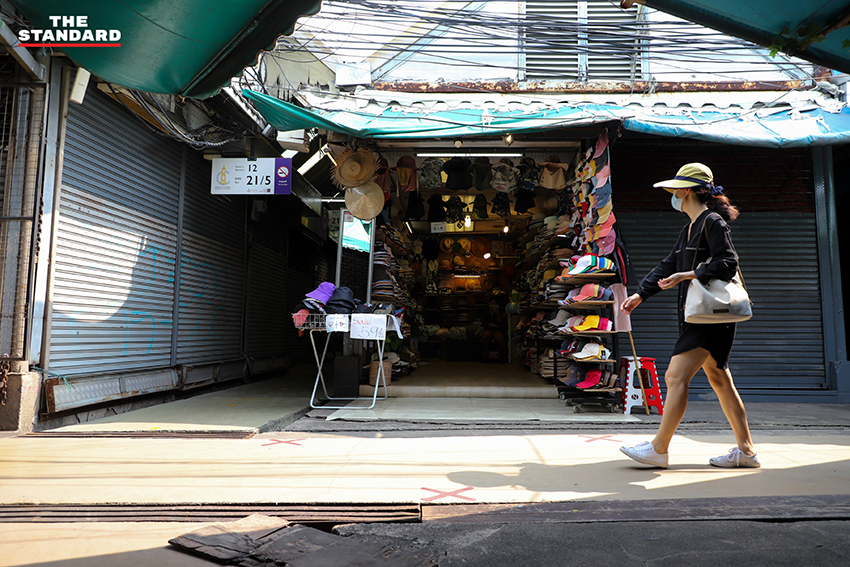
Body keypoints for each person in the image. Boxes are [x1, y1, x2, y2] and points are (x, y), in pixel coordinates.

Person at [619, 163, 759, 469]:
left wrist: (688, 274)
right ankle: (747, 452)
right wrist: (641, 294)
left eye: (675, 188)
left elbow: (728, 263)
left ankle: (659, 448)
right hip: (701, 316)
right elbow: (669, 264)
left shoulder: (712, 222)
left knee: (675, 376)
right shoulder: (690, 228)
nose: (671, 194)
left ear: (685, 191)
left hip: (711, 317)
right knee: (719, 379)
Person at [481, 297, 507, 362]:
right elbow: (484, 322)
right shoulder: (486, 312)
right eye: (492, 303)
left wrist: (498, 314)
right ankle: (484, 356)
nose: (494, 305)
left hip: (497, 330)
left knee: (500, 340)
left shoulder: (499, 312)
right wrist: (492, 325)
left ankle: (502, 358)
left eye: (495, 304)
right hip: (488, 329)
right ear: (489, 304)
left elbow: (500, 322)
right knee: (486, 337)